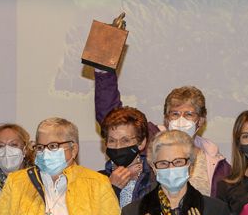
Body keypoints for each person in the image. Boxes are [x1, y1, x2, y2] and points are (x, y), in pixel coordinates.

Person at [93, 69, 230, 195]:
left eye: (188, 114)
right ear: (166, 119)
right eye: (175, 114)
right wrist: (103, 71)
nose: (181, 120)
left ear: (200, 121)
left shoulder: (216, 163)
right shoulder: (151, 141)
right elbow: (114, 119)